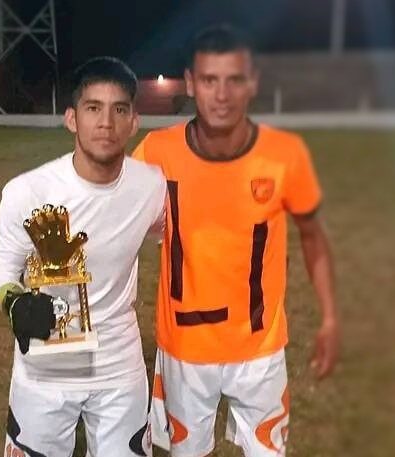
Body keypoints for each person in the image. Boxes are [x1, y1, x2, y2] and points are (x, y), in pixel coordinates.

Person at [133, 25, 340, 457]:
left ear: (252, 83)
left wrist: (329, 317)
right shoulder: (156, 151)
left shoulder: (284, 155)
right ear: (191, 82)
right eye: (210, 80)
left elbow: (313, 237)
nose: (222, 94)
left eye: (234, 80)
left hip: (259, 349)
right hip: (185, 349)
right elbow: (116, 218)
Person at [0, 56, 165, 457]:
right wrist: (15, 303)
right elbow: (0, 272)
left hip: (119, 365)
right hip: (44, 366)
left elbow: (176, 232)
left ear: (134, 122)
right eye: (93, 108)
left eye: (119, 110)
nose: (106, 123)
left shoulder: (152, 186)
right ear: (72, 119)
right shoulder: (26, 192)